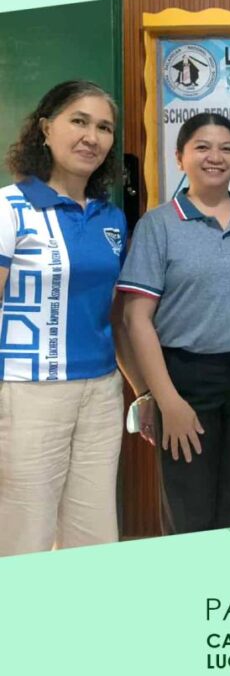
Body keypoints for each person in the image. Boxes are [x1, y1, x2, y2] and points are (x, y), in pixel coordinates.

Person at [118, 113, 230, 533]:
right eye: (202, 147)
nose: (216, 157)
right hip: (186, 379)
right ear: (180, 158)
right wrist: (165, 399)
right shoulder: (159, 224)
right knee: (189, 507)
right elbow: (136, 319)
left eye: (226, 148)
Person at [0, 80, 140, 555]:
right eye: (78, 121)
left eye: (104, 127)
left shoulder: (111, 218)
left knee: (94, 535)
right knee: (24, 536)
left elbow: (116, 316)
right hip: (27, 393)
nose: (91, 137)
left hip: (101, 393)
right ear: (45, 129)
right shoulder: (9, 208)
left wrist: (141, 390)